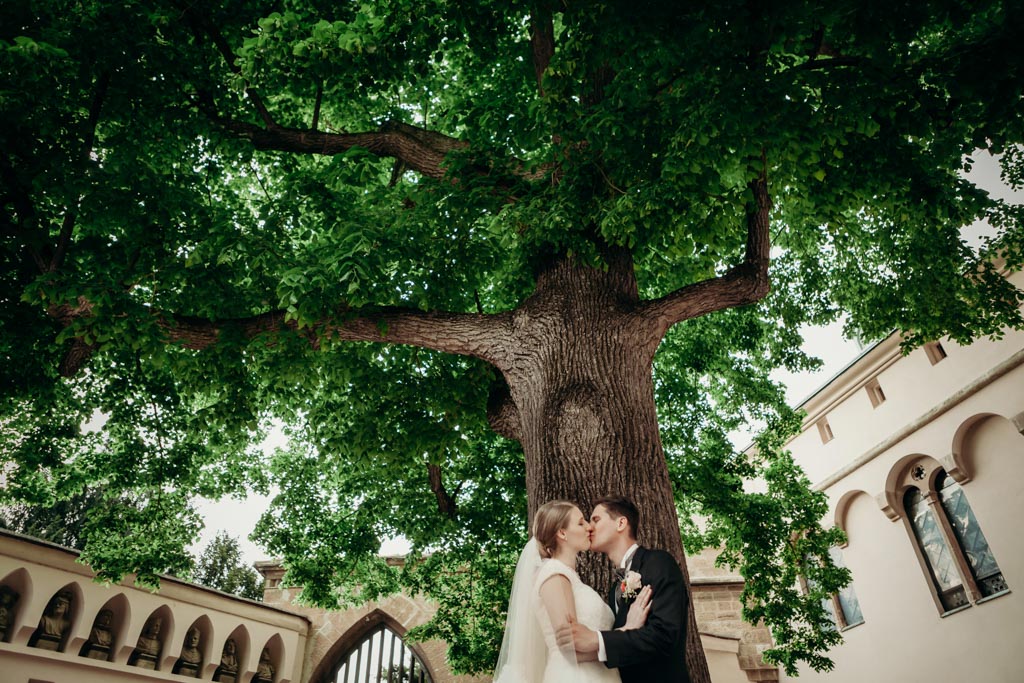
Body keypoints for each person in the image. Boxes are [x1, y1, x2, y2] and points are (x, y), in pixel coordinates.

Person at [493, 500, 652, 683]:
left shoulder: (569, 578)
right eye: (581, 522)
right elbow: (569, 648)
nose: (589, 527)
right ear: (562, 533)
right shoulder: (554, 574)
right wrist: (628, 629)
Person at [557, 495, 690, 683]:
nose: (589, 527)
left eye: (596, 519)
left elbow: (665, 636)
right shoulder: (615, 590)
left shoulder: (658, 562)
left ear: (621, 524)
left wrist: (597, 640)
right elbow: (624, 650)